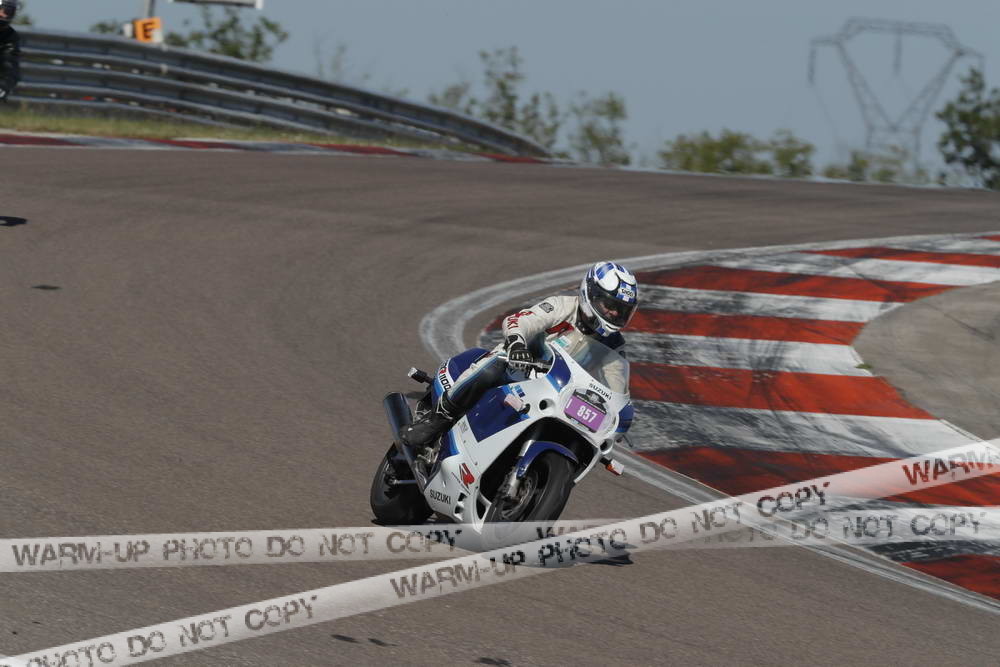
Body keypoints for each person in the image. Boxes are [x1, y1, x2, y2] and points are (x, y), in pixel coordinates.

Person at [401, 261, 639, 459]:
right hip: (521, 368)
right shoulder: (563, 306)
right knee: (492, 368)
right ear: (591, 294)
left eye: (621, 310)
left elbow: (616, 384)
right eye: (610, 305)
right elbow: (522, 320)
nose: (614, 313)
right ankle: (436, 420)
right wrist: (517, 343)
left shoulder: (614, 345)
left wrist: (619, 413)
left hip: (560, 391)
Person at [0, 0, 20, 103]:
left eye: (10, 11)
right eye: (5, 10)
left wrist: (4, 86)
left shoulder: (10, 37)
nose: (6, 15)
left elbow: (11, 65)